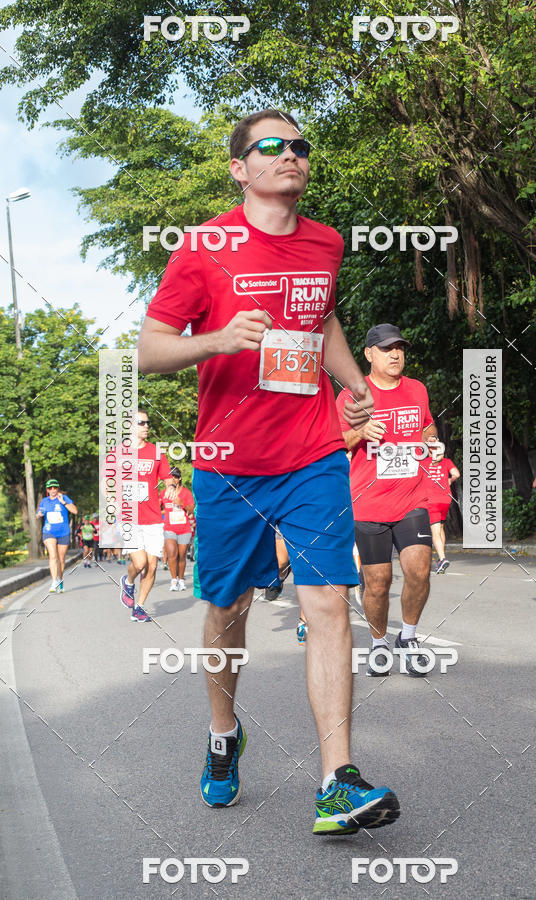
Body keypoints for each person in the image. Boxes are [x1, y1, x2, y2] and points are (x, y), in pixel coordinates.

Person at [138, 109, 400, 836]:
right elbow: (149, 350)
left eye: (300, 147)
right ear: (239, 168)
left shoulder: (325, 243)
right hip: (229, 466)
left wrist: (355, 386)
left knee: (326, 606)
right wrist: (219, 338)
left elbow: (322, 323)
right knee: (229, 610)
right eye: (272, 146)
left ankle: (336, 781)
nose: (291, 156)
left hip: (312, 451)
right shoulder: (203, 248)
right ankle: (224, 734)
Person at [336, 324, 440, 679]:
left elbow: (427, 425)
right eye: (386, 349)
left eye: (399, 348)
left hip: (412, 497)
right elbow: (335, 443)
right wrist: (360, 431)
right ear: (369, 354)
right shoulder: (353, 395)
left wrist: (431, 437)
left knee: (419, 571)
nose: (395, 354)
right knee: (378, 583)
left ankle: (407, 637)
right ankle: (379, 641)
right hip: (368, 503)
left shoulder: (416, 389)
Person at [118, 409, 173, 621]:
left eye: (148, 422)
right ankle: (128, 582)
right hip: (129, 517)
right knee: (139, 563)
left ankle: (139, 607)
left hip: (153, 518)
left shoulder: (157, 452)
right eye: (141, 423)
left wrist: (169, 486)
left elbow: (167, 477)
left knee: (152, 565)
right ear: (130, 426)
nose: (146, 426)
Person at [422, 448, 460, 574]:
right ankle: (440, 556)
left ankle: (442, 559)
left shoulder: (423, 463)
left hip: (431, 501)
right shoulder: (446, 461)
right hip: (445, 499)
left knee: (435, 531)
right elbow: (456, 474)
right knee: (441, 528)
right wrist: (450, 480)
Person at [36, 478, 77, 592]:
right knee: (53, 556)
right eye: (50, 488)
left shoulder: (64, 498)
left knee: (61, 559)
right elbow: (38, 513)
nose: (53, 490)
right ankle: (54, 582)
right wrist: (38, 514)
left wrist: (63, 502)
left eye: (55, 487)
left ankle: (60, 580)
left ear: (58, 488)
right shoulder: (44, 501)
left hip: (63, 532)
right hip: (49, 532)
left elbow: (75, 511)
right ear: (47, 490)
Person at [159, 467, 195, 591]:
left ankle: (181, 579)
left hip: (184, 529)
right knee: (172, 554)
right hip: (169, 528)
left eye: (175, 476)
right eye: (170, 477)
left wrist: (182, 503)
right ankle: (174, 580)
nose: (172, 479)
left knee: (182, 556)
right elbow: (157, 508)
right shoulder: (163, 493)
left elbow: (191, 510)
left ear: (179, 478)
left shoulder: (186, 493)